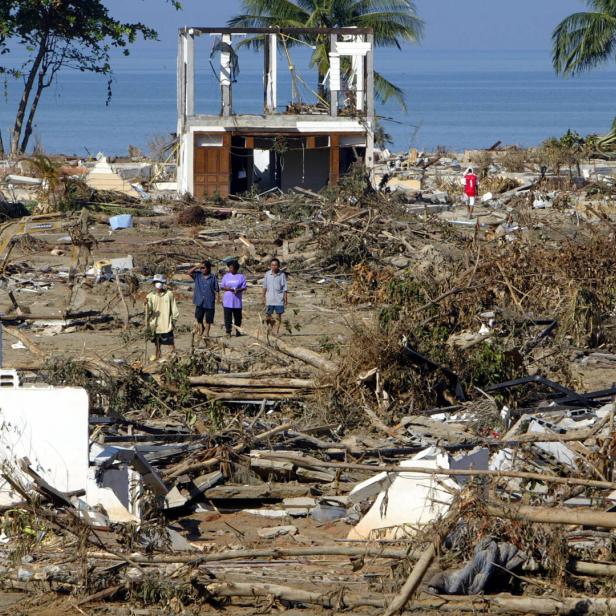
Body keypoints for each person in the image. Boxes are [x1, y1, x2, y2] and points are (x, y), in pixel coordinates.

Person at [145, 274, 179, 360]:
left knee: (170, 344)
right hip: (155, 325)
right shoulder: (150, 296)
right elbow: (148, 310)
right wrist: (146, 304)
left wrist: (174, 320)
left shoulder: (169, 294)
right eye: (156, 282)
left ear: (163, 283)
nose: (158, 284)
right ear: (154, 284)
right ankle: (157, 357)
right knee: (157, 344)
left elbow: (174, 307)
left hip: (166, 324)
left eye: (159, 282)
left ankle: (174, 359)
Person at [188, 260, 219, 338]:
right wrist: (197, 266)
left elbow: (217, 289)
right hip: (199, 301)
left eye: (203, 268)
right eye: (201, 268)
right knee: (198, 318)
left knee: (208, 319)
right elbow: (189, 272)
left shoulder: (213, 277)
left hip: (209, 301)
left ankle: (207, 333)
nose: (202, 269)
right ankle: (202, 328)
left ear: (208, 268)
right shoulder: (198, 276)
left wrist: (218, 299)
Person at [220, 260, 247, 337]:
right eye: (229, 268)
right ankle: (228, 332)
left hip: (237, 301)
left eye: (231, 268)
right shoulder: (226, 276)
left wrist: (238, 290)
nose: (230, 269)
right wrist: (228, 289)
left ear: (236, 268)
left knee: (238, 318)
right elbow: (222, 287)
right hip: (227, 301)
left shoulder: (241, 277)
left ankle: (238, 331)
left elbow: (244, 287)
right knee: (227, 317)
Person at [262, 258, 288, 335]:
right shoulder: (267, 274)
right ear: (270, 266)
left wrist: (286, 299)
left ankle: (276, 331)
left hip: (279, 299)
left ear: (279, 266)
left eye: (275, 265)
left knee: (278, 316)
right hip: (269, 299)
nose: (274, 267)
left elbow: (285, 288)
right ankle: (270, 328)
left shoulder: (282, 275)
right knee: (268, 315)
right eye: (272, 265)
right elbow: (265, 286)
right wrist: (263, 297)